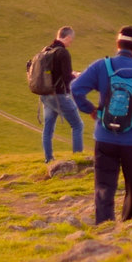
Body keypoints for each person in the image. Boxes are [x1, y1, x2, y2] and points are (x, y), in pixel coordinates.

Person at [71, 25, 132, 225]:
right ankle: (130, 225)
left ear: (117, 43)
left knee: (104, 184)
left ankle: (104, 225)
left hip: (104, 136)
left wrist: (91, 109)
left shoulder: (101, 66)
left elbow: (75, 88)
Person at [29, 26, 84, 163]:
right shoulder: (63, 53)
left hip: (45, 95)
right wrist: (76, 76)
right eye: (71, 40)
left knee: (48, 128)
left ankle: (49, 159)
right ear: (68, 37)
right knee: (77, 125)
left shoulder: (45, 51)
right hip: (59, 95)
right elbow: (66, 77)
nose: (71, 43)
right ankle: (77, 158)